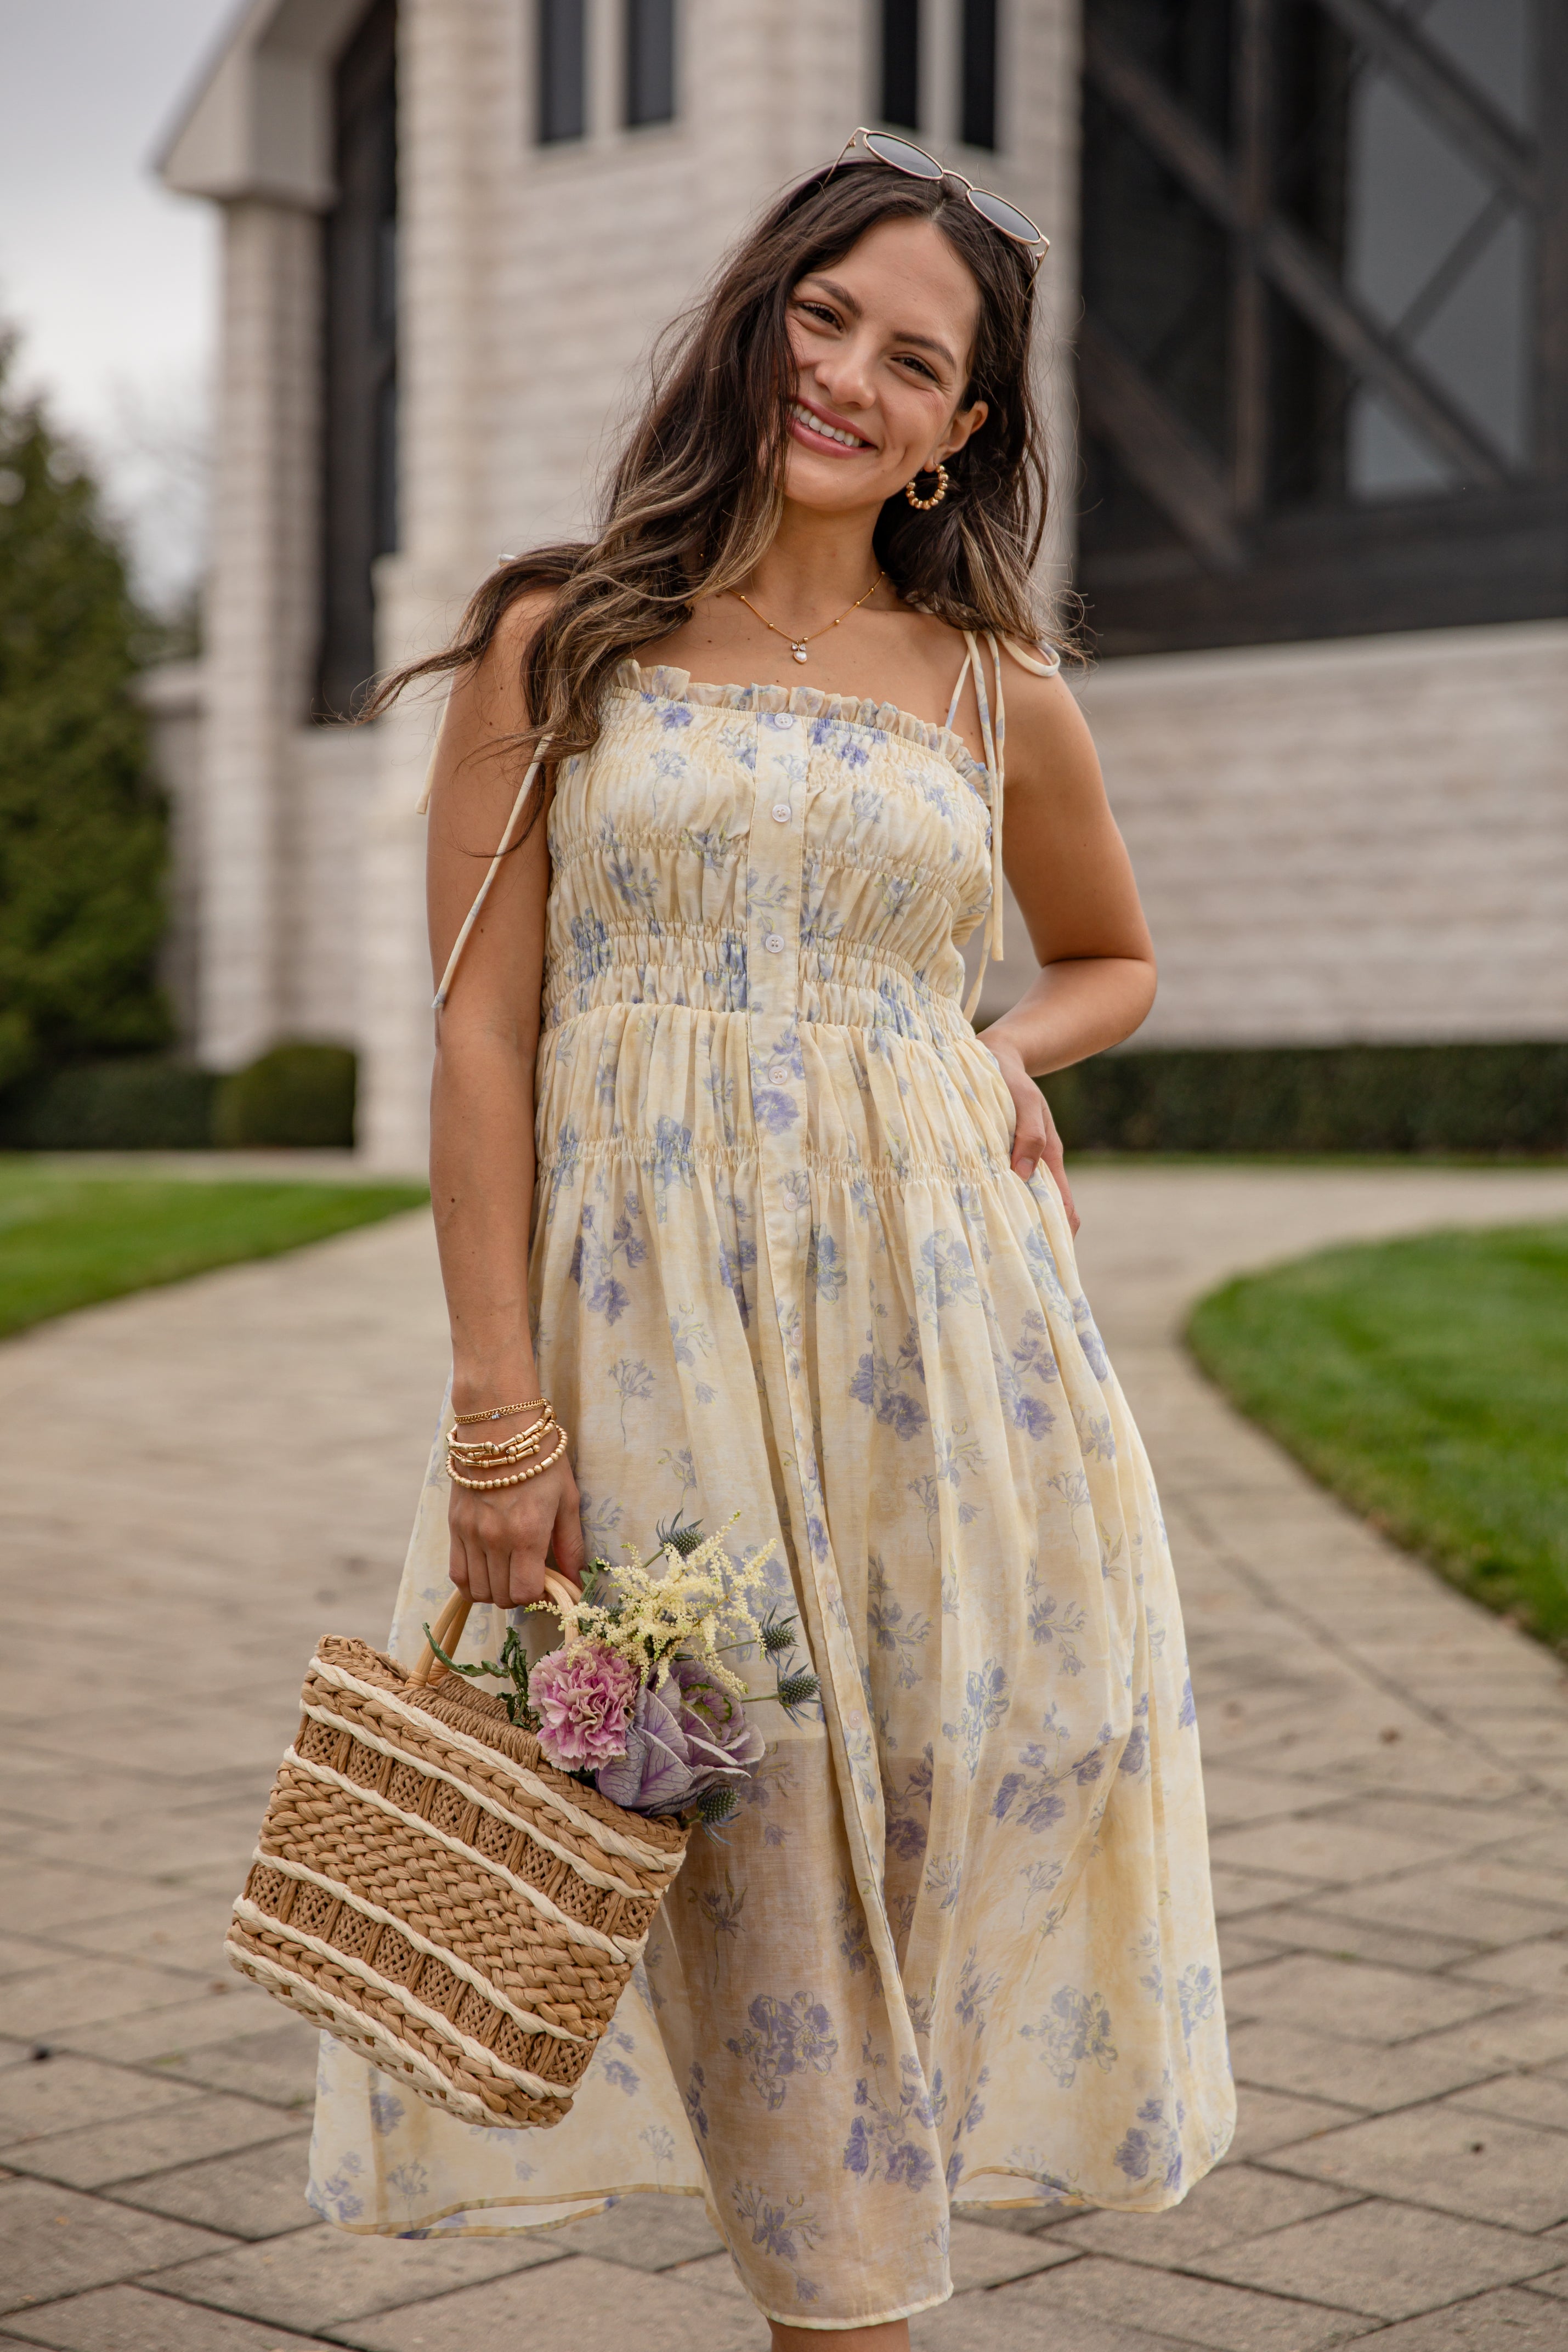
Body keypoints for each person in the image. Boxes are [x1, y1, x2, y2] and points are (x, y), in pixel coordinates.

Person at [309, 134, 1233, 2345]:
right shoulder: (564, 638)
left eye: (912, 360)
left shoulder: (998, 688)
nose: (849, 377)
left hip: (955, 1354)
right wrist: (496, 1425)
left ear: (965, 430)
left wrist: (1005, 1043)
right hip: (647, 1365)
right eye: (823, 316)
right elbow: (479, 1047)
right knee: (742, 1876)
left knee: (933, 1824)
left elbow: (1113, 959)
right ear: (753, 314)